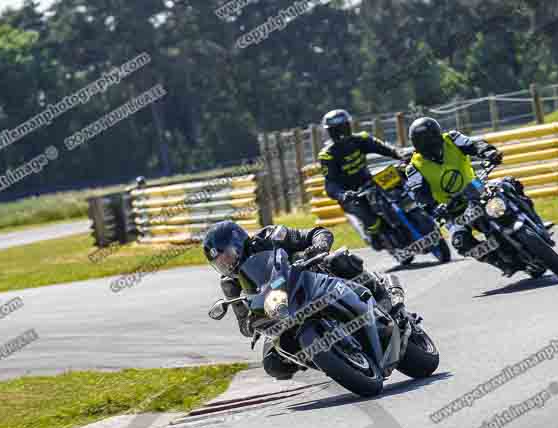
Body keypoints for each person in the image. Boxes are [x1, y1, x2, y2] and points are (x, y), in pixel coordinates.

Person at [203, 221, 405, 380]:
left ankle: (386, 298)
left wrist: (318, 247)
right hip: (279, 310)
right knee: (273, 364)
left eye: (227, 256)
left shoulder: (270, 236)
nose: (227, 265)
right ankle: (330, 358)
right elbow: (243, 322)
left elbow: (317, 233)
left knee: (340, 260)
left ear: (238, 243)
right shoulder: (230, 283)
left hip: (310, 278)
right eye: (220, 263)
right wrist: (250, 324)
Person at [404, 117, 534, 276]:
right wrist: (435, 207)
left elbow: (474, 145)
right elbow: (420, 194)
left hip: (477, 189)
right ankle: (500, 262)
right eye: (427, 144)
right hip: (452, 210)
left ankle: (534, 220)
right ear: (418, 146)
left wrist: (488, 152)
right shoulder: (413, 168)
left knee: (508, 184)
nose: (434, 148)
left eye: (434, 140)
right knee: (460, 242)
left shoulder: (452, 138)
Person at [318, 109, 406, 251]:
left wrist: (400, 155)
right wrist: (342, 195)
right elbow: (330, 183)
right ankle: (376, 237)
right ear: (330, 132)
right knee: (370, 219)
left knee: (399, 191)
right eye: (336, 129)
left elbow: (382, 148)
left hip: (370, 182)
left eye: (343, 127)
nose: (341, 132)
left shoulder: (360, 139)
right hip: (351, 194)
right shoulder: (327, 155)